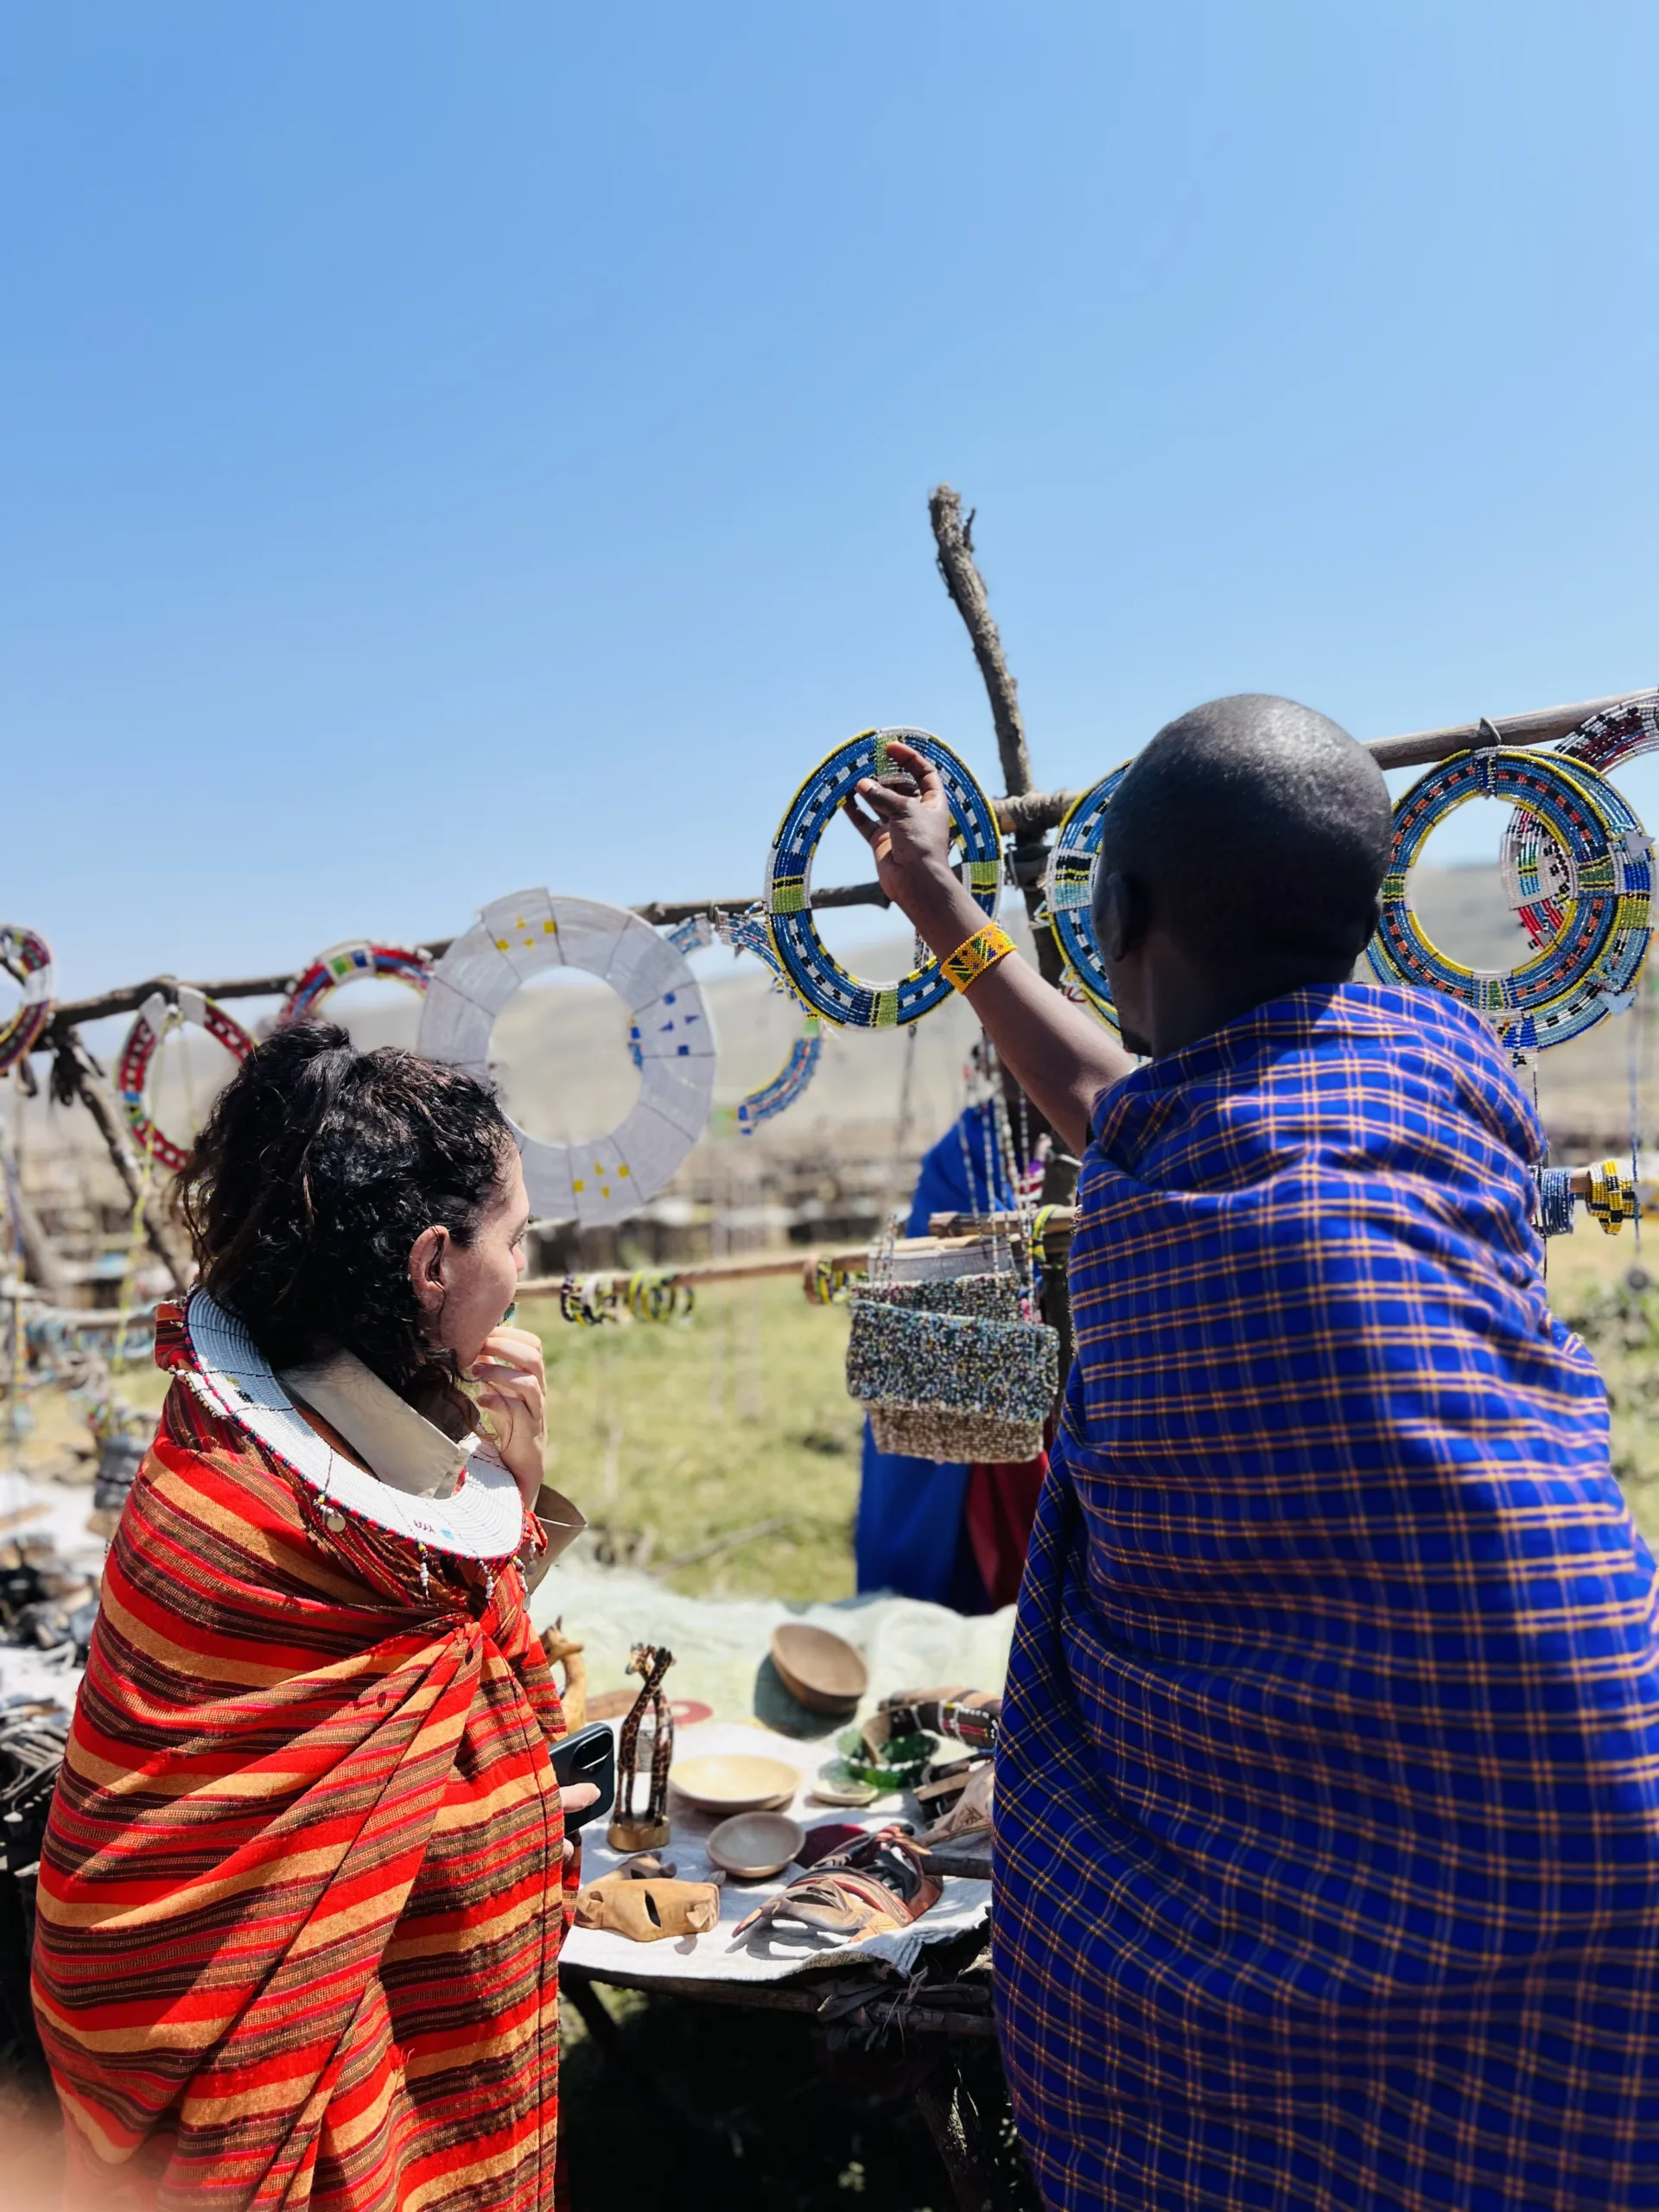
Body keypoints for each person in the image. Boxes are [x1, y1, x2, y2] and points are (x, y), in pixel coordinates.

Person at [845, 700, 1659, 2209]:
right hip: (1579, 1777)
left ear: (1120, 913)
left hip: (1194, 1756)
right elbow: (1118, 1108)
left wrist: (938, 908)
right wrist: (945, 909)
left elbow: (1107, 1120)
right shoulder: (1455, 1071)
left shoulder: (1133, 1162)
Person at [32, 1024, 593, 2211]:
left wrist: (521, 1493)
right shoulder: (243, 1515)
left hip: (340, 2032)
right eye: (518, 1236)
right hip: (278, 2076)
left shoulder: (290, 1445)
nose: (525, 1268)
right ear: (434, 1264)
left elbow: (448, 1692)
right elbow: (435, 1702)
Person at [855, 1076, 1049, 1612]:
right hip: (968, 1385)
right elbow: (928, 1287)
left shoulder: (1115, 1122)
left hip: (1082, 1390)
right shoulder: (963, 1153)